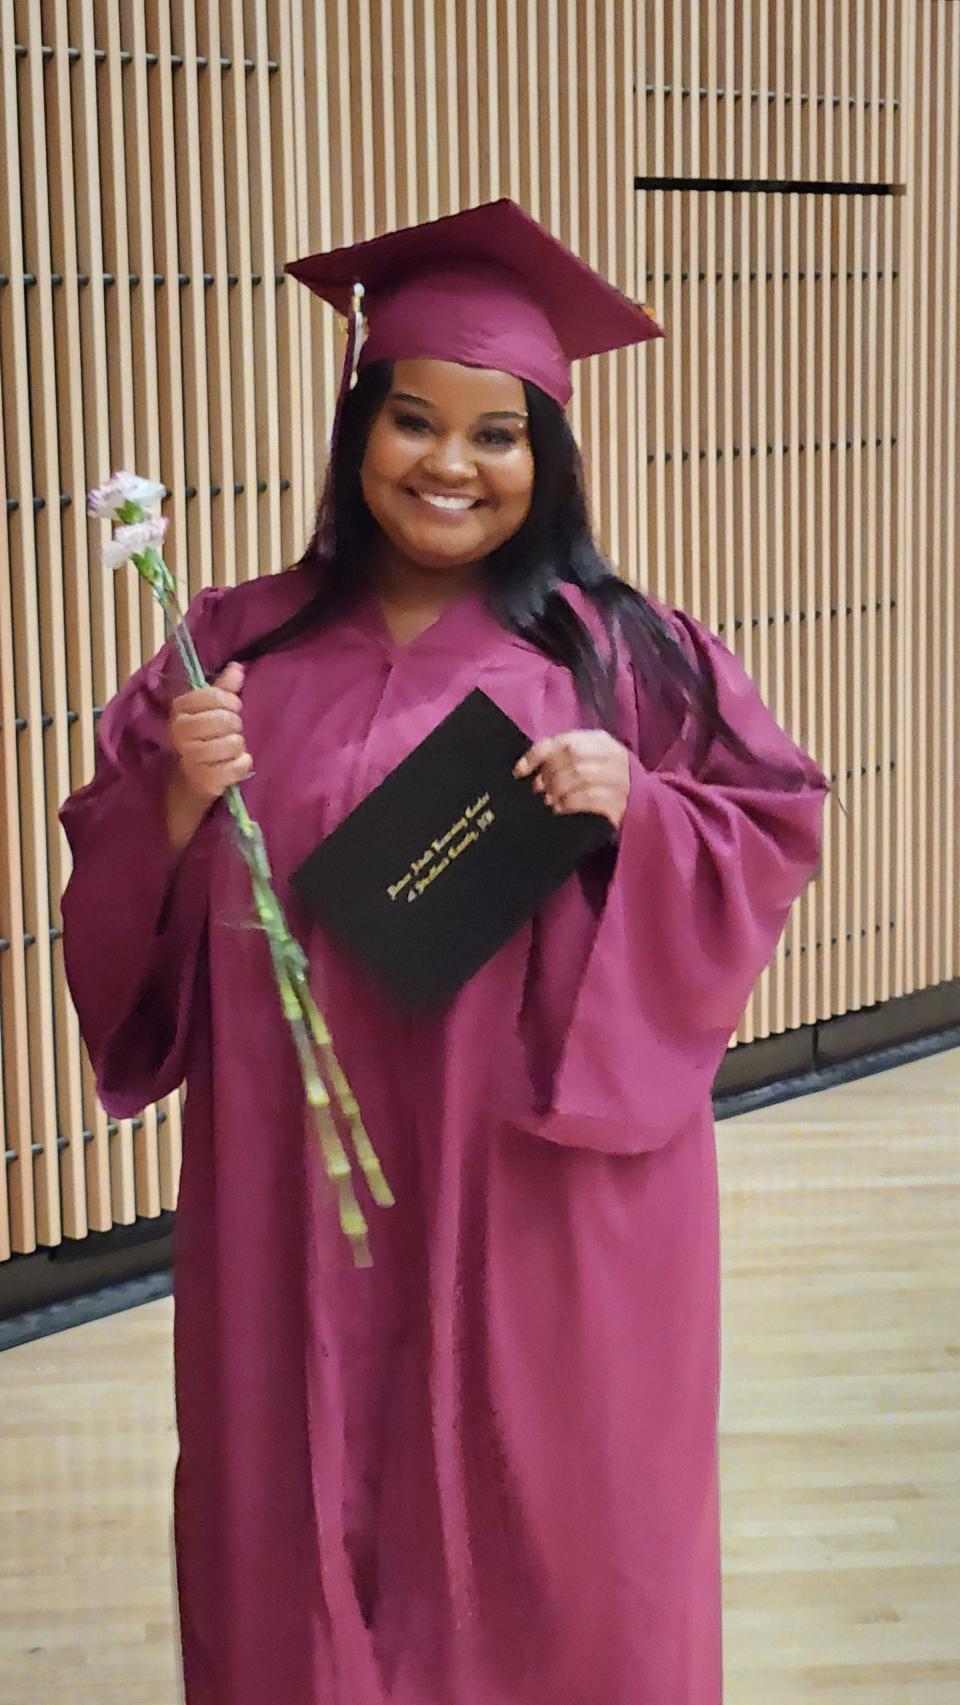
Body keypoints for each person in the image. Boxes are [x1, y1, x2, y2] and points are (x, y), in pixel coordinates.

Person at [60, 199, 829, 1705]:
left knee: (565, 1528)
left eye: (498, 434)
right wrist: (171, 797)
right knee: (299, 1512)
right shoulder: (232, 652)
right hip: (294, 1190)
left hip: (546, 1190)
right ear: (360, 430)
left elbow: (770, 824)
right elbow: (114, 900)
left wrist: (643, 807)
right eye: (415, 421)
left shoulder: (631, 657)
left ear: (547, 459)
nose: (451, 466)